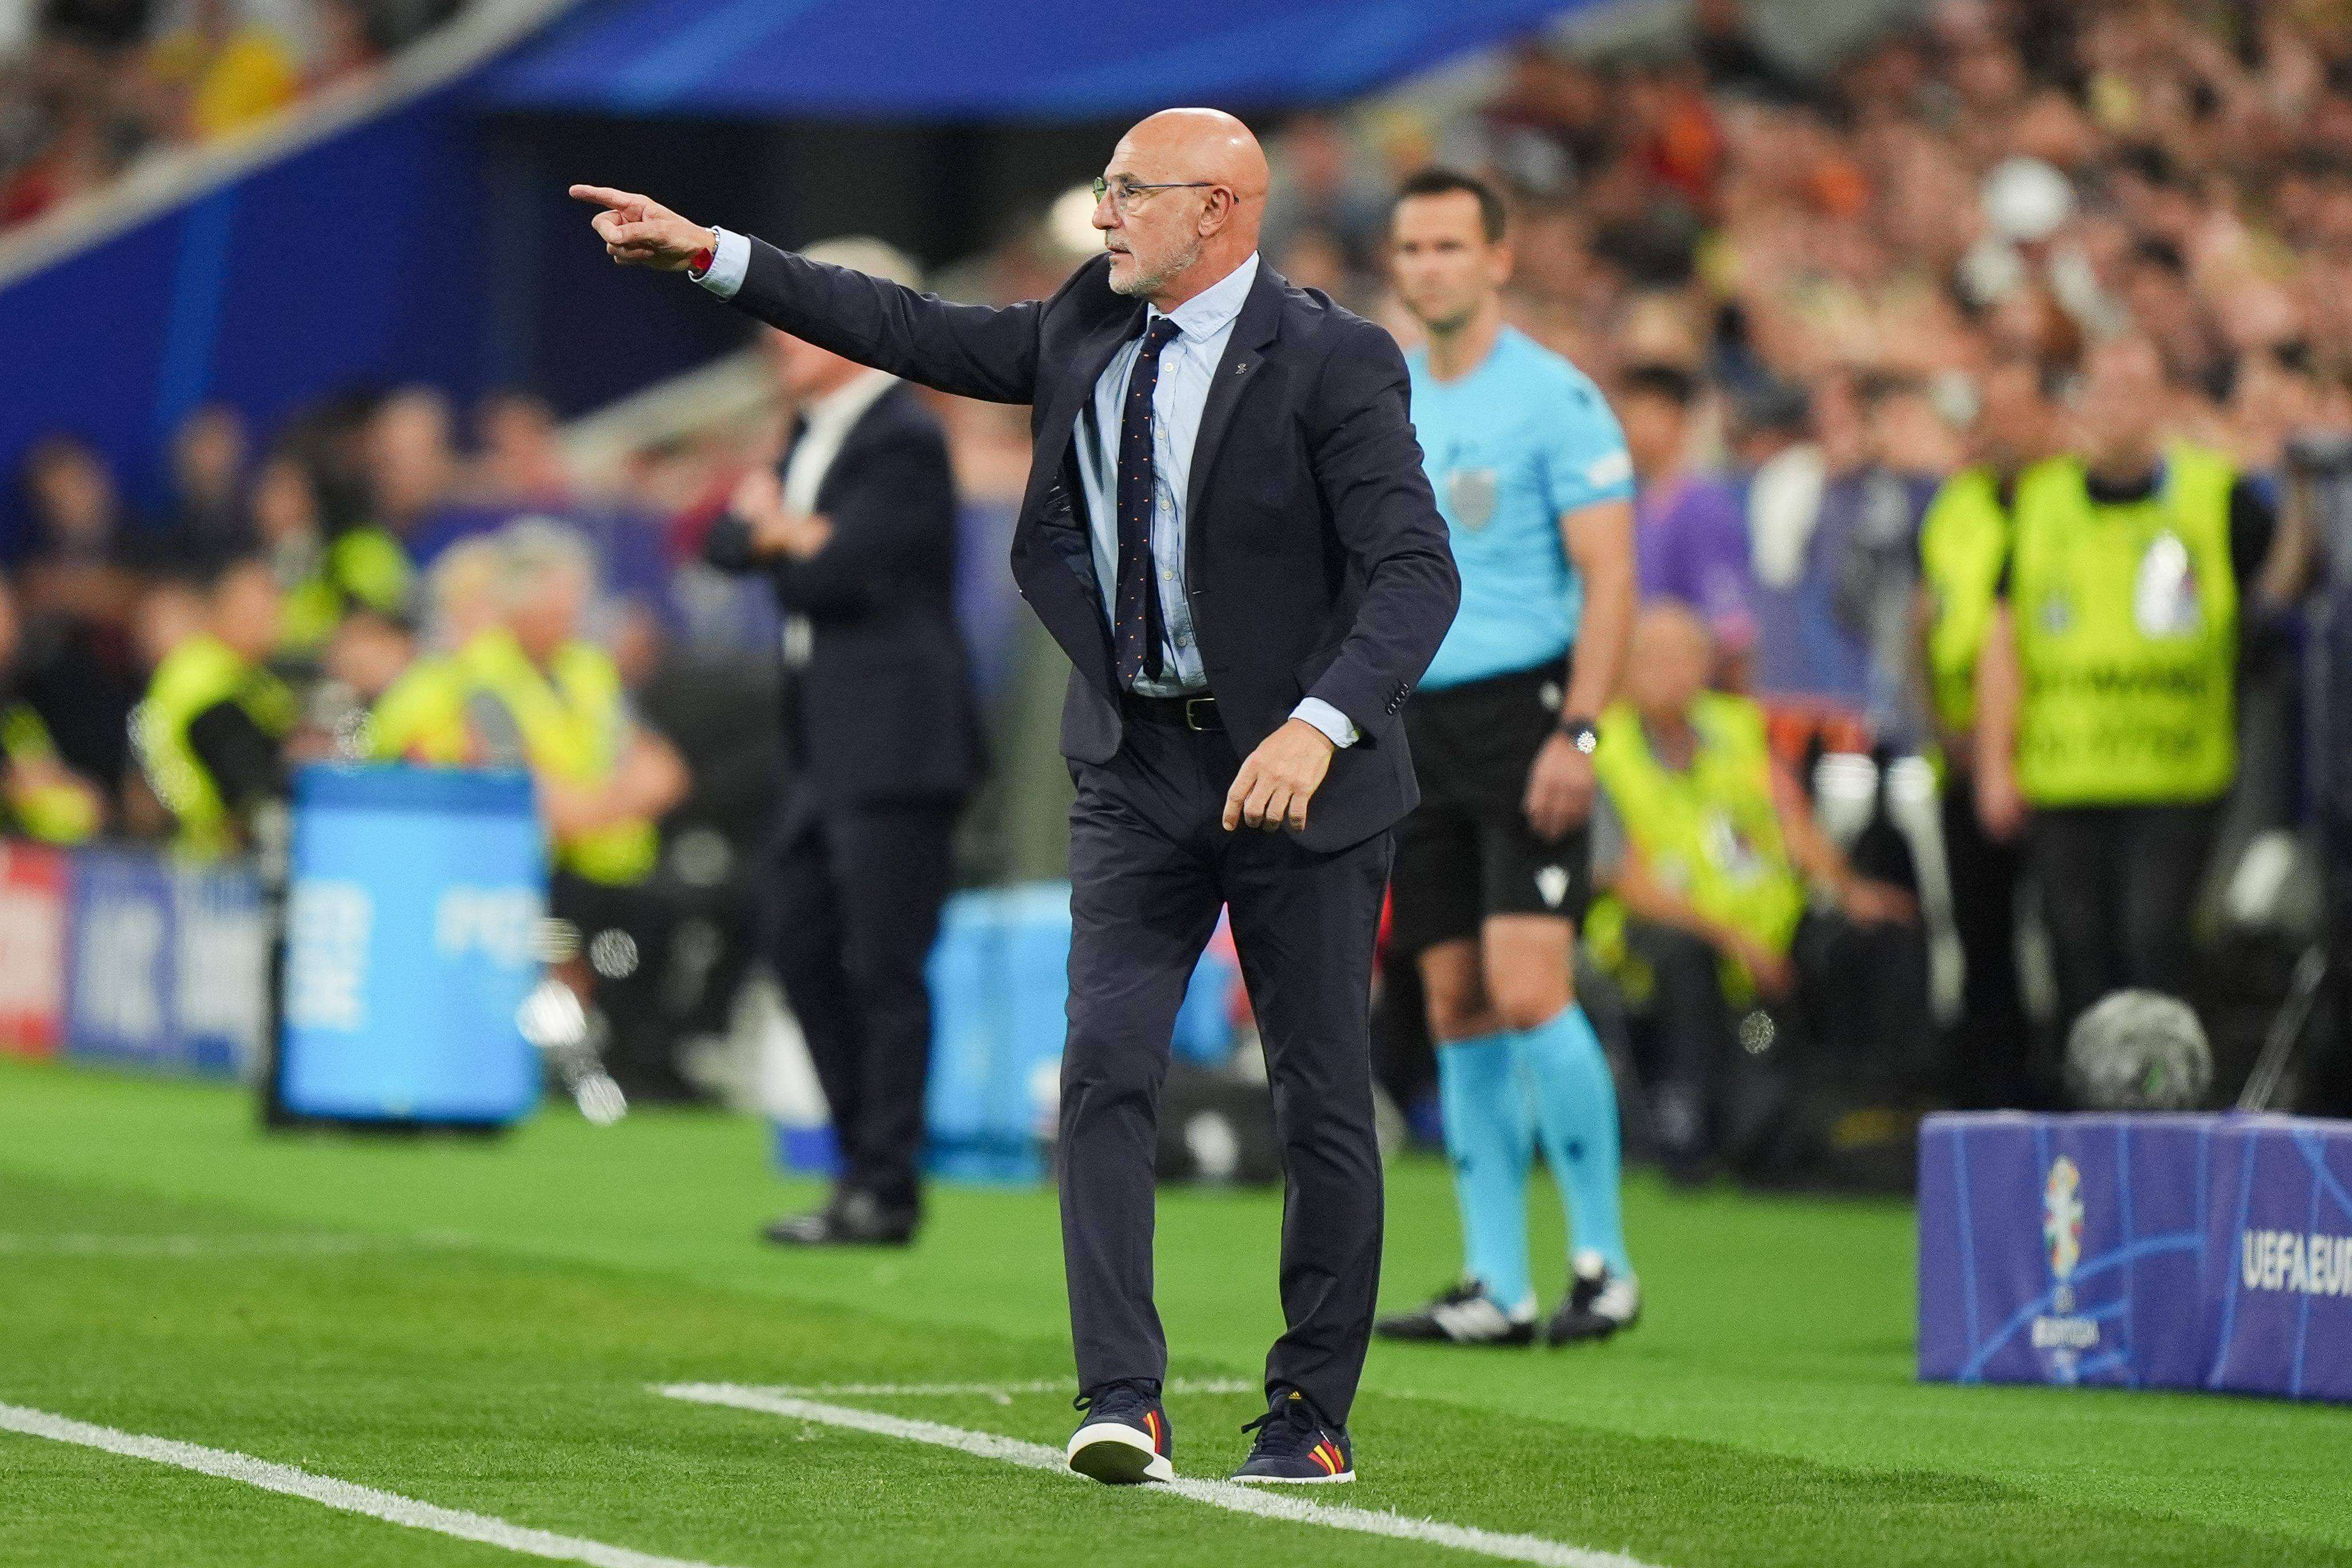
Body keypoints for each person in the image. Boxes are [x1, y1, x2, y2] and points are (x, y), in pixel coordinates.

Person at [574, 103, 1459, 1486]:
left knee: (1320, 1094)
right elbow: (905, 325)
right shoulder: (1082, 326)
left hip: (1302, 777)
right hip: (1141, 763)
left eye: (1126, 192)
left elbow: (1417, 570)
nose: (1100, 217)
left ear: (1219, 211)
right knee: (1102, 1067)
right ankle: (1122, 1393)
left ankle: (1309, 1409)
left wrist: (1319, 722)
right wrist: (716, 257)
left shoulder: (1336, 360)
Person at [1365, 170, 1641, 1350]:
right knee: (1457, 1000)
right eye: (1410, 248)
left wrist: (1580, 730)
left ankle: (1603, 1264)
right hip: (1417, 721)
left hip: (1527, 716)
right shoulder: (1392, 393)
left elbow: (1613, 577)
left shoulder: (1557, 400)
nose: (1426, 267)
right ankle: (1496, 1281)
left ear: (1499, 260)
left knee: (1532, 987)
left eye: (1447, 246)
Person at [704, 237, 984, 1248]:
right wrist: (783, 535)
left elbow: (840, 566)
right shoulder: (807, 434)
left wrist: (784, 538)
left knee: (883, 962)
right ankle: (859, 1162)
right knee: (798, 938)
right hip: (820, 738)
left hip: (896, 740)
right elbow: (724, 540)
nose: (776, 334)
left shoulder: (901, 434)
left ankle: (886, 1184)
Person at [1975, 335, 2292, 1043]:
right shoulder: (2040, 502)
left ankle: (2167, 1119)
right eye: (2104, 387)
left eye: (2134, 388)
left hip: (2174, 776)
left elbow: (2279, 591)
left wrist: (2296, 484)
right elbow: (2003, 641)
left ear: (2163, 402)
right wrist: (1996, 763)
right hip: (2065, 778)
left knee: (2156, 948)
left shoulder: (2219, 497)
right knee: (2077, 960)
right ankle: (2087, 1120)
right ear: (2081, 402)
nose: (2117, 405)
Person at [1586, 605, 1923, 1182]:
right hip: (1669, 936)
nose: (1672, 672)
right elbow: (1630, 881)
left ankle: (1862, 1117)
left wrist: (1847, 891)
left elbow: (1793, 824)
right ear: (1628, 668)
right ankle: (1690, 1130)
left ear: (1707, 666)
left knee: (1870, 934)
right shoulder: (1604, 748)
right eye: (1655, 659)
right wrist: (1734, 941)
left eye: (1685, 657)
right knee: (1683, 962)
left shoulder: (1736, 728)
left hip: (1769, 923)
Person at [467, 521, 691, 1098]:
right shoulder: (483, 678)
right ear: (521, 605)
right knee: (590, 922)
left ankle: (642, 1063)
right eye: (560, 598)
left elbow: (665, 772)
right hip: (530, 868)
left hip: (615, 861)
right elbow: (534, 797)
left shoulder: (588, 668)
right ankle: (575, 1062)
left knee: (686, 903)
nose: (573, 611)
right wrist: (614, 799)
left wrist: (596, 804)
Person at [1917, 357, 2049, 1107]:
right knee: (1980, 936)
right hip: (1965, 753)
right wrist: (1940, 720)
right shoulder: (1955, 505)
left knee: (2067, 938)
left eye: (2017, 411)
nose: (2001, 430)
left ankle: (2068, 1092)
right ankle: (1989, 1099)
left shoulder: (2067, 502)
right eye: (1989, 413)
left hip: (2063, 757)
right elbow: (1924, 618)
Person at [131, 555, 296, 862]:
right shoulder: (199, 672)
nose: (273, 619)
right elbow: (246, 779)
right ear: (221, 609)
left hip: (220, 861)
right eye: (258, 608)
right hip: (202, 865)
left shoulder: (248, 675)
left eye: (276, 605)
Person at [1621, 363, 1755, 682]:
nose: (1628, 427)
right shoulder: (1634, 505)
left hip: (1693, 701)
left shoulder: (1705, 508)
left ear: (1675, 417)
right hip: (1638, 699)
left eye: (1642, 414)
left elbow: (1732, 631)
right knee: (1589, 736)